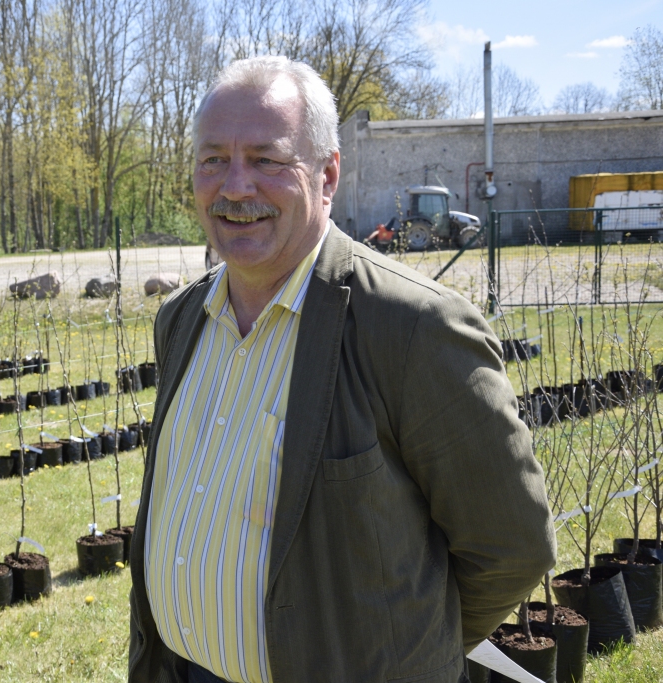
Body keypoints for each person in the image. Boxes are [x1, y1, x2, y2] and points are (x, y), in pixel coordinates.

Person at [127, 56, 556, 683]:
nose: (235, 186)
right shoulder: (181, 319)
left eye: (267, 160)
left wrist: (398, 651)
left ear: (328, 176)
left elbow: (511, 548)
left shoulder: (413, 329)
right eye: (213, 158)